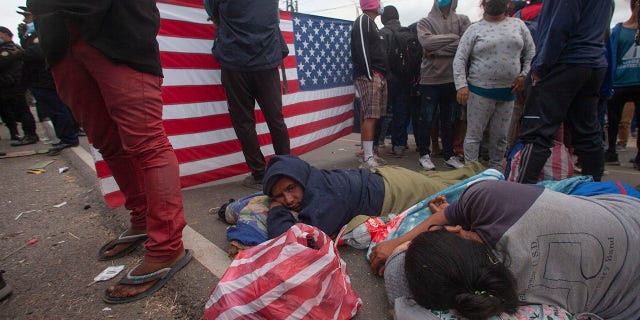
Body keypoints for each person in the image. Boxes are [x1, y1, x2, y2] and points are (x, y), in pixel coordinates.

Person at [28, 0, 191, 303]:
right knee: (106, 142)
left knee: (148, 143)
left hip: (118, 26)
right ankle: (142, 218)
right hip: (58, 35)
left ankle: (167, 248)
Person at [379, 180, 640, 319]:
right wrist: (398, 244)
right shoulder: (491, 198)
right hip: (627, 212)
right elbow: (449, 215)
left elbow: (400, 290)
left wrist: (400, 247)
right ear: (456, 230)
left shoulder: (516, 304)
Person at [262, 154, 484, 239]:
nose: (289, 200)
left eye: (291, 189)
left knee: (464, 191)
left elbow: (289, 241)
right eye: (280, 195)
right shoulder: (312, 177)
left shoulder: (322, 197)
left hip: (398, 189)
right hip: (385, 176)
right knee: (445, 181)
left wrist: (276, 209)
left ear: (300, 179)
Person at [515, 0, 612, 183]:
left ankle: (520, 196)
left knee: (536, 133)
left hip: (564, 62)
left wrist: (540, 69)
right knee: (588, 133)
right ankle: (594, 193)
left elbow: (559, 28)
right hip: (592, 62)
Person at [205, 0, 291, 190]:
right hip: (266, 58)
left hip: (234, 59)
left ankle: (259, 173)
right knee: (275, 118)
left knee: (244, 121)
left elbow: (213, 13)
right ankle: (288, 169)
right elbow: (274, 16)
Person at [453, 0, 535, 171]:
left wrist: (524, 76)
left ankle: (496, 173)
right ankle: (470, 174)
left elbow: (531, 53)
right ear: (484, 3)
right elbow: (460, 58)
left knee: (500, 137)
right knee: (474, 136)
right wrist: (461, 85)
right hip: (479, 92)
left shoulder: (518, 25)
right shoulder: (474, 29)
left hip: (508, 93)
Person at [415, 0, 470, 170]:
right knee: (427, 118)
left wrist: (436, 50)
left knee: (450, 120)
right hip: (430, 79)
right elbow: (426, 43)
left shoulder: (462, 20)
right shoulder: (425, 22)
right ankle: (424, 154)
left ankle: (449, 154)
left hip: (453, 79)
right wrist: (455, 38)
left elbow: (465, 45)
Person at [17, 7, 79, 155]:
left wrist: (21, 53)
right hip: (40, 80)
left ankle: (69, 137)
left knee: (57, 109)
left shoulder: (41, 30)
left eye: (26, 16)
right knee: (56, 109)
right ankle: (69, 135)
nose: (25, 20)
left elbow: (39, 52)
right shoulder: (30, 33)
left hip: (45, 79)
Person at [351, 0, 388, 168]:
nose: (381, 5)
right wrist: (369, 74)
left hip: (378, 74)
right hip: (370, 75)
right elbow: (361, 49)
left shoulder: (372, 23)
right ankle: (367, 157)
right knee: (370, 115)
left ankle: (370, 153)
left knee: (376, 115)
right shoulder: (363, 20)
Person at [604, 0, 639, 167]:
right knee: (613, 119)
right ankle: (611, 151)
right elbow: (612, 54)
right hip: (619, 81)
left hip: (637, 81)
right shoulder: (619, 29)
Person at [379, 6, 413, 159]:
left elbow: (380, 58)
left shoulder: (383, 33)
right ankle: (399, 145)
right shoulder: (407, 32)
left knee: (383, 112)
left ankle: (377, 143)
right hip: (406, 78)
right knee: (402, 112)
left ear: (383, 18)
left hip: (389, 79)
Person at [0, 26, 38, 146]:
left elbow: (3, 63)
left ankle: (30, 135)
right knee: (10, 111)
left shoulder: (10, 49)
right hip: (8, 85)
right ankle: (23, 134)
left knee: (22, 110)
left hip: (13, 84)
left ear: (6, 35)